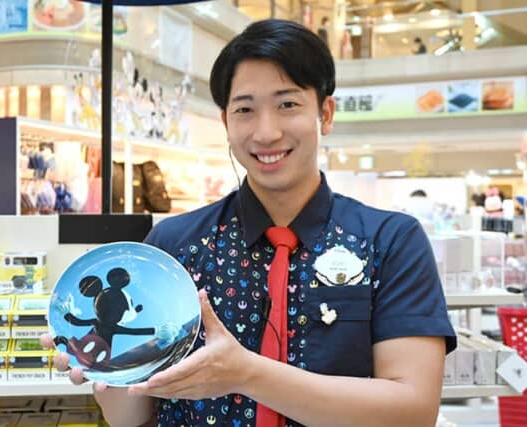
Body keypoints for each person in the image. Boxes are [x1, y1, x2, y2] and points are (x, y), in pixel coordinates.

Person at [43, 19, 456, 427]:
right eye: (244, 109)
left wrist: (247, 374)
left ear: (325, 113)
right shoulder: (173, 247)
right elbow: (133, 417)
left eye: (287, 104)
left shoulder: (389, 242)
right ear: (226, 122)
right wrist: (106, 373)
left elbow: (412, 411)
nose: (266, 132)